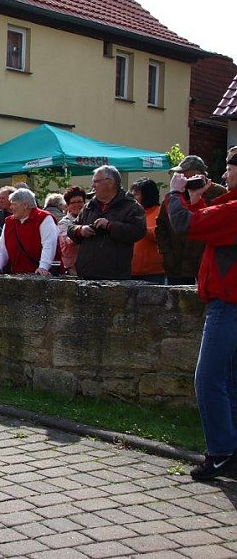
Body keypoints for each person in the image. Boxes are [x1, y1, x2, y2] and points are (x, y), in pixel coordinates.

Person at [164, 161, 237, 481]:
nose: (224, 175)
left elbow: (185, 224)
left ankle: (221, 452)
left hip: (228, 303)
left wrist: (175, 193)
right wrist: (195, 196)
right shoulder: (230, 205)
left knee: (207, 379)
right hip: (228, 301)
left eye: (229, 167)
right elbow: (207, 216)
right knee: (230, 380)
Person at [66, 165, 145, 280]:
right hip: (86, 273)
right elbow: (71, 228)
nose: (93, 185)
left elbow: (138, 232)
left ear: (110, 182)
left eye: (96, 181)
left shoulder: (131, 206)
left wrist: (110, 226)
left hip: (115, 276)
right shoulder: (89, 206)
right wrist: (80, 230)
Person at [155, 155, 225, 285]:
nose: (180, 175)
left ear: (198, 173)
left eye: (183, 172)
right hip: (176, 263)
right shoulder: (175, 193)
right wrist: (166, 252)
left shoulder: (218, 193)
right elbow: (161, 224)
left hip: (204, 263)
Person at [0, 188, 57, 275]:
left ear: (25, 205)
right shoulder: (9, 222)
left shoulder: (44, 218)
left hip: (42, 276)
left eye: (14, 204)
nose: (11, 207)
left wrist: (43, 267)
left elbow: (49, 245)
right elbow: (2, 250)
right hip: (18, 274)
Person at [129, 179, 164, 283]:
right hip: (130, 271)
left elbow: (158, 235)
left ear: (147, 195)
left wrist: (138, 227)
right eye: (132, 194)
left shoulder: (160, 212)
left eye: (137, 194)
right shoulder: (132, 212)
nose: (133, 198)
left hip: (153, 273)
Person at [57, 186, 86, 275]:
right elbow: (69, 240)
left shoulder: (90, 218)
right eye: (73, 202)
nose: (77, 205)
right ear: (67, 206)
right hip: (72, 269)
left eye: (80, 202)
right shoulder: (64, 223)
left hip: (88, 266)